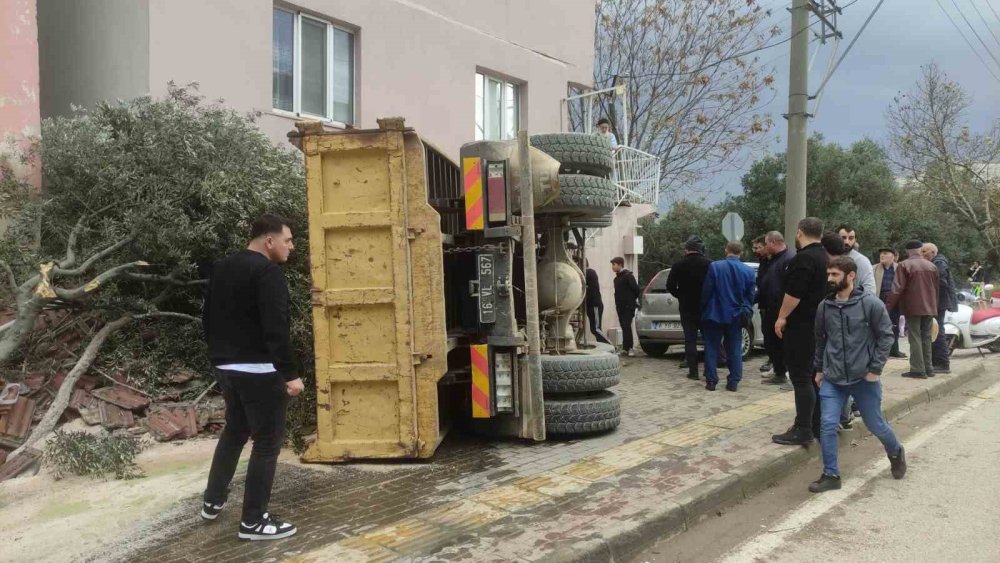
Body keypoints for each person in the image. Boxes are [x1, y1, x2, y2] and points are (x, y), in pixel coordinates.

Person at [202, 214, 303, 541]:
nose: (291, 247)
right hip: (259, 371)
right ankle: (254, 521)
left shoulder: (222, 267)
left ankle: (212, 500)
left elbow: (207, 318)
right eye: (287, 240)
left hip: (227, 368)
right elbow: (277, 328)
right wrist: (290, 374)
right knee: (267, 443)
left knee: (235, 431)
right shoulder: (267, 272)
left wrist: (220, 358)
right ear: (269, 241)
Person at [810, 255, 907, 493]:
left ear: (851, 276)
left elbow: (886, 337)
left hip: (864, 378)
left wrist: (875, 370)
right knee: (827, 424)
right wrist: (819, 369)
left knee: (875, 424)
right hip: (833, 378)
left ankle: (895, 451)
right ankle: (831, 474)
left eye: (835, 275)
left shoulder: (870, 304)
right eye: (829, 274)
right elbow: (821, 340)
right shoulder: (825, 306)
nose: (830, 279)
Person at [772, 217, 829, 446]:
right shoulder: (825, 257)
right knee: (814, 376)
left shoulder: (804, 259)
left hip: (802, 326)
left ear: (799, 233)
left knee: (801, 377)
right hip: (820, 324)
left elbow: (794, 293)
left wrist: (782, 317)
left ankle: (803, 428)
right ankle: (817, 424)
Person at [701, 241, 756, 391]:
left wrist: (703, 308)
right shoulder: (748, 271)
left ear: (726, 250)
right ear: (741, 252)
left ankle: (711, 381)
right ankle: (733, 381)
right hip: (736, 314)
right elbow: (750, 296)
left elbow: (707, 291)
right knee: (734, 349)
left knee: (712, 347)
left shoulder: (715, 266)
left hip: (714, 313)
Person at [886, 240, 939, 379]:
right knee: (926, 337)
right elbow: (936, 288)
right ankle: (929, 368)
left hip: (913, 306)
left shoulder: (904, 265)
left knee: (914, 337)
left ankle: (917, 369)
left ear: (907, 251)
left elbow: (897, 289)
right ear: (920, 249)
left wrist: (887, 308)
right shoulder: (932, 265)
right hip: (930, 306)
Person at [666, 236, 712, 380]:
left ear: (687, 249)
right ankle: (708, 370)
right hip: (705, 307)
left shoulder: (678, 265)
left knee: (690, 340)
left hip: (686, 307)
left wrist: (681, 295)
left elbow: (670, 286)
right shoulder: (709, 264)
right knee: (708, 340)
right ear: (701, 250)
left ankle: (693, 372)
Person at [758, 231, 795, 385]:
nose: (765, 247)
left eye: (766, 244)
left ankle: (785, 373)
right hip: (769, 308)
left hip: (779, 309)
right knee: (770, 342)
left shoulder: (789, 259)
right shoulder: (772, 260)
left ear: (773, 243)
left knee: (781, 343)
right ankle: (779, 371)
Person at [922, 243, 959, 374]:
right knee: (935, 331)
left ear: (933, 252)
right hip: (937, 302)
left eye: (925, 251)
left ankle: (943, 363)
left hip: (938, 303)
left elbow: (940, 283)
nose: (922, 254)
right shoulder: (937, 262)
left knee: (937, 332)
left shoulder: (939, 263)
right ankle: (936, 362)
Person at [874, 247, 906, 358]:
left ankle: (894, 349)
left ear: (893, 256)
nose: (882, 255)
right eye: (881, 253)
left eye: (885, 253)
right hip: (879, 299)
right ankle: (879, 349)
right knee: (879, 325)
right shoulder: (874, 268)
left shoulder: (900, 268)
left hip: (895, 300)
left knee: (895, 325)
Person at [612, 256, 641, 357]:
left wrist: (631, 300)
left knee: (627, 325)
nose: (613, 267)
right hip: (620, 307)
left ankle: (630, 348)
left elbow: (636, 289)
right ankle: (625, 348)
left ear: (620, 264)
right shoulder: (616, 279)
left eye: (614, 264)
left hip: (629, 306)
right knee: (624, 326)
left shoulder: (628, 276)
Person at [837, 224, 876, 295]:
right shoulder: (829, 257)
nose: (847, 242)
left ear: (855, 240)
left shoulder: (862, 261)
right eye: (843, 238)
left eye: (851, 238)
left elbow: (870, 289)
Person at [584, 260, 609, 344]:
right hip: (591, 306)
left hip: (595, 305)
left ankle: (611, 346)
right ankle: (604, 347)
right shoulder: (587, 273)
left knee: (596, 329)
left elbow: (591, 290)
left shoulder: (589, 272)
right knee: (594, 329)